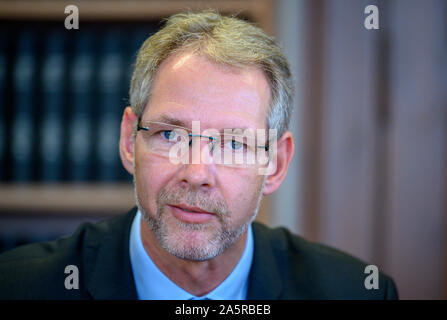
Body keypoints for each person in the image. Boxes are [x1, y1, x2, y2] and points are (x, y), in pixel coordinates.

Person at [0, 10, 398, 300]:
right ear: (128, 141)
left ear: (275, 164)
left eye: (233, 143)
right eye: (171, 134)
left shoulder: (357, 293)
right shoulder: (18, 287)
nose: (196, 172)